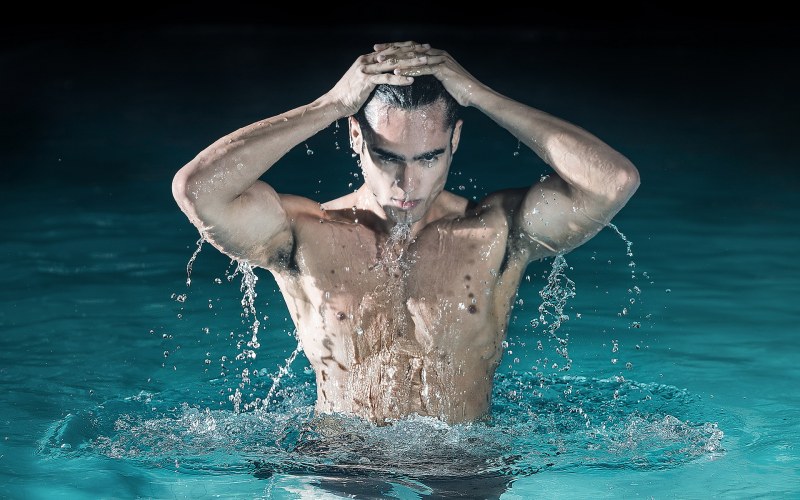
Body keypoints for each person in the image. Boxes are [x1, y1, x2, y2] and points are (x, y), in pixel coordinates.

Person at [172, 41, 640, 426]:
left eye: (428, 158)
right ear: (356, 138)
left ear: (454, 141)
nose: (406, 184)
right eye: (388, 157)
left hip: (461, 465)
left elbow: (612, 182)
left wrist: (480, 96)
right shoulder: (304, 232)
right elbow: (198, 190)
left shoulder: (494, 229)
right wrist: (330, 104)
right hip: (342, 461)